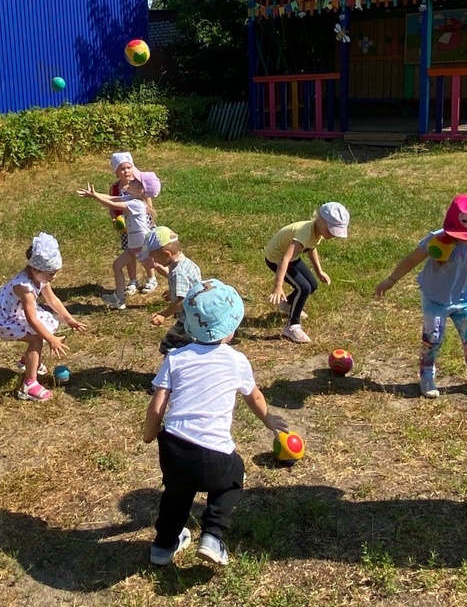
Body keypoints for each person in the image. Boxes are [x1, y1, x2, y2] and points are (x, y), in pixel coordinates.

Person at [143, 279, 287, 567]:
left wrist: (149, 434)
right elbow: (255, 397)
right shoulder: (236, 360)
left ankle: (162, 547)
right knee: (234, 475)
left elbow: (157, 405)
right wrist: (270, 420)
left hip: (173, 448)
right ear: (231, 327)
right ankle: (212, 535)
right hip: (215, 455)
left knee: (176, 494)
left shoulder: (175, 358)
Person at [374, 194, 467, 400]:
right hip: (434, 299)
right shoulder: (438, 240)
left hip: (463, 300)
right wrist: (391, 279)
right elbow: (412, 259)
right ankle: (427, 376)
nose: (463, 238)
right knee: (432, 340)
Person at [0, 232, 85, 401]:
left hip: (15, 312)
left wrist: (69, 319)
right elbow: (32, 319)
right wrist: (51, 339)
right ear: (35, 269)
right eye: (51, 273)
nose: (53, 277)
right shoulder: (24, 288)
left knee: (43, 328)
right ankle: (29, 385)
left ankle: (29, 360)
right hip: (3, 319)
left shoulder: (40, 277)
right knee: (36, 339)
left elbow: (52, 300)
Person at [263, 202, 350, 343]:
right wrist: (278, 287)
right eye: (331, 230)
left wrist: (319, 271)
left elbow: (311, 248)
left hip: (290, 257)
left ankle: (288, 304)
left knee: (312, 285)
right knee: (303, 288)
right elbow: (285, 259)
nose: (333, 235)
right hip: (276, 258)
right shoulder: (304, 233)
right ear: (319, 220)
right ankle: (292, 327)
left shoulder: (317, 231)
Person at [76, 170, 161, 309]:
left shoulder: (136, 203)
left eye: (135, 181)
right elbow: (112, 198)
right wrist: (94, 195)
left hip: (140, 244)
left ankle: (179, 287)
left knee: (157, 265)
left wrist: (95, 197)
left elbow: (113, 205)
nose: (131, 180)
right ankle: (119, 299)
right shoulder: (132, 198)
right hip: (135, 245)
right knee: (119, 265)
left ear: (141, 190)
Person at [138, 226, 203, 354]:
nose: (153, 260)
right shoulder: (186, 263)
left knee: (168, 347)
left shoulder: (178, 273)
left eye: (154, 257)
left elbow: (183, 300)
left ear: (167, 254)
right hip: (197, 317)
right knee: (190, 347)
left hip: (188, 320)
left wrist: (164, 314)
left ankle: (174, 366)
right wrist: (173, 292)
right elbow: (190, 288)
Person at [107, 152, 158, 295]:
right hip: (126, 228)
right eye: (122, 169)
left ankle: (151, 278)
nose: (126, 171)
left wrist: (149, 221)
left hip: (142, 226)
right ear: (116, 172)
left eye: (129, 168)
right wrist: (115, 219)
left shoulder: (138, 184)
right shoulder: (115, 188)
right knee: (130, 252)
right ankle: (133, 280)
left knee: (146, 252)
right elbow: (112, 205)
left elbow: (148, 203)